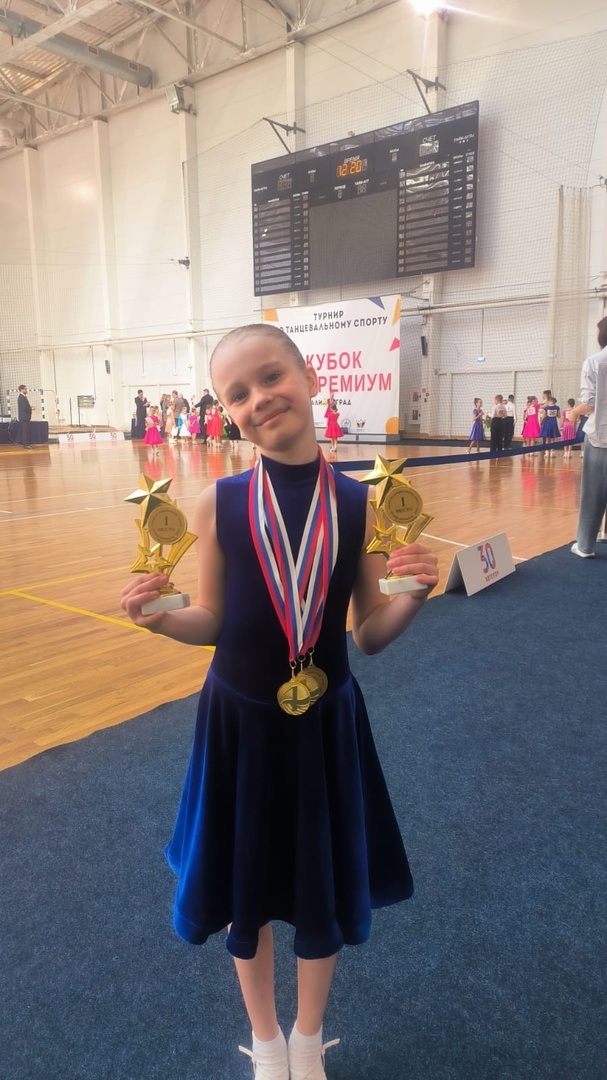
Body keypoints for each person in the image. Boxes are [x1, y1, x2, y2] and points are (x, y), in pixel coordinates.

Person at [120, 323, 439, 1080]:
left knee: (318, 882)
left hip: (324, 724)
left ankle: (307, 1036)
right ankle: (265, 1040)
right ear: (227, 414)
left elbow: (368, 635)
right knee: (247, 886)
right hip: (238, 724)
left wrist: (413, 597)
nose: (259, 399)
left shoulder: (358, 505)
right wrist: (160, 620)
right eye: (237, 394)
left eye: (271, 377)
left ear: (310, 378)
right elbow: (211, 620)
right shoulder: (219, 503)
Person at [569, 317, 607, 557]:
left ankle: (584, 545)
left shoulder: (594, 361)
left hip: (600, 437)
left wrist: (573, 413)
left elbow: (589, 403)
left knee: (593, 494)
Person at [17, 384, 33, 449]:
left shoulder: (23, 397)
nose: (26, 390)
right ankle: (25, 444)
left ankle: (26, 443)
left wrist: (30, 407)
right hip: (24, 417)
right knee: (25, 431)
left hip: (26, 417)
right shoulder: (21, 397)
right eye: (25, 389)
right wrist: (31, 408)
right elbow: (24, 408)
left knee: (26, 431)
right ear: (21, 390)